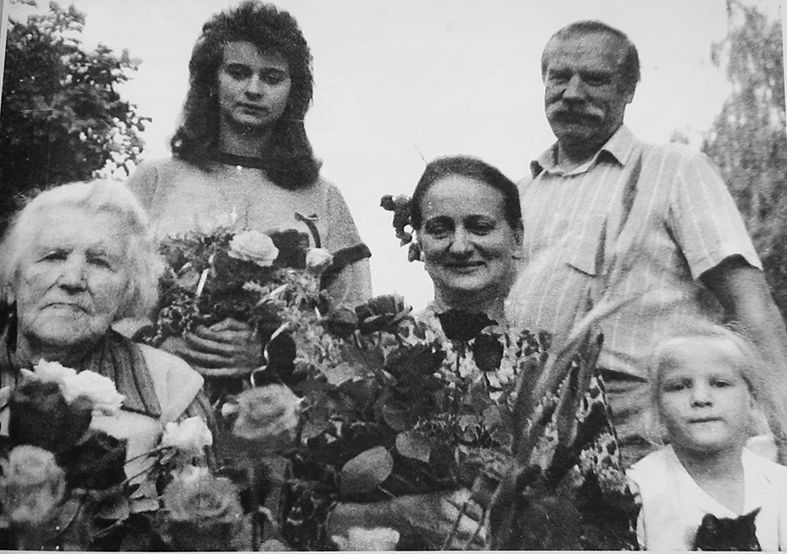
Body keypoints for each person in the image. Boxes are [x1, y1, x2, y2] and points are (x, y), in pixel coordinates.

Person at [282, 156, 637, 550]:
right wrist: (400, 514)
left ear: (517, 238)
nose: (461, 245)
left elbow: (614, 520)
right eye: (440, 229)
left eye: (480, 226)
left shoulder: (561, 364)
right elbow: (297, 515)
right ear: (418, 241)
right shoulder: (370, 353)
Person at [507, 20, 787, 465]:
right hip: (532, 432)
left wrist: (783, 427)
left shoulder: (675, 170)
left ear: (629, 90)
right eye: (559, 77)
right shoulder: (519, 193)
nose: (573, 92)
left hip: (646, 433)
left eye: (595, 79)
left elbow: (749, 304)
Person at [125, 1, 372, 380]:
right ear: (212, 81)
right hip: (157, 388)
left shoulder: (323, 196)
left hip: (279, 405)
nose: (253, 89)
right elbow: (106, 292)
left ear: (292, 91)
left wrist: (274, 354)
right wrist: (156, 344)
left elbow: (353, 325)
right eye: (238, 73)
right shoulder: (154, 180)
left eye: (272, 78)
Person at [0, 180, 211, 514]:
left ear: (129, 290)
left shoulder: (173, 388)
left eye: (99, 262)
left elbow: (207, 528)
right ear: (11, 280)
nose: (72, 280)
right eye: (54, 256)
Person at [627, 320, 787, 550]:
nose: (700, 398)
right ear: (657, 406)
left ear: (752, 397)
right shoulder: (639, 491)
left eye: (720, 384)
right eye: (679, 386)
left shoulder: (779, 485)